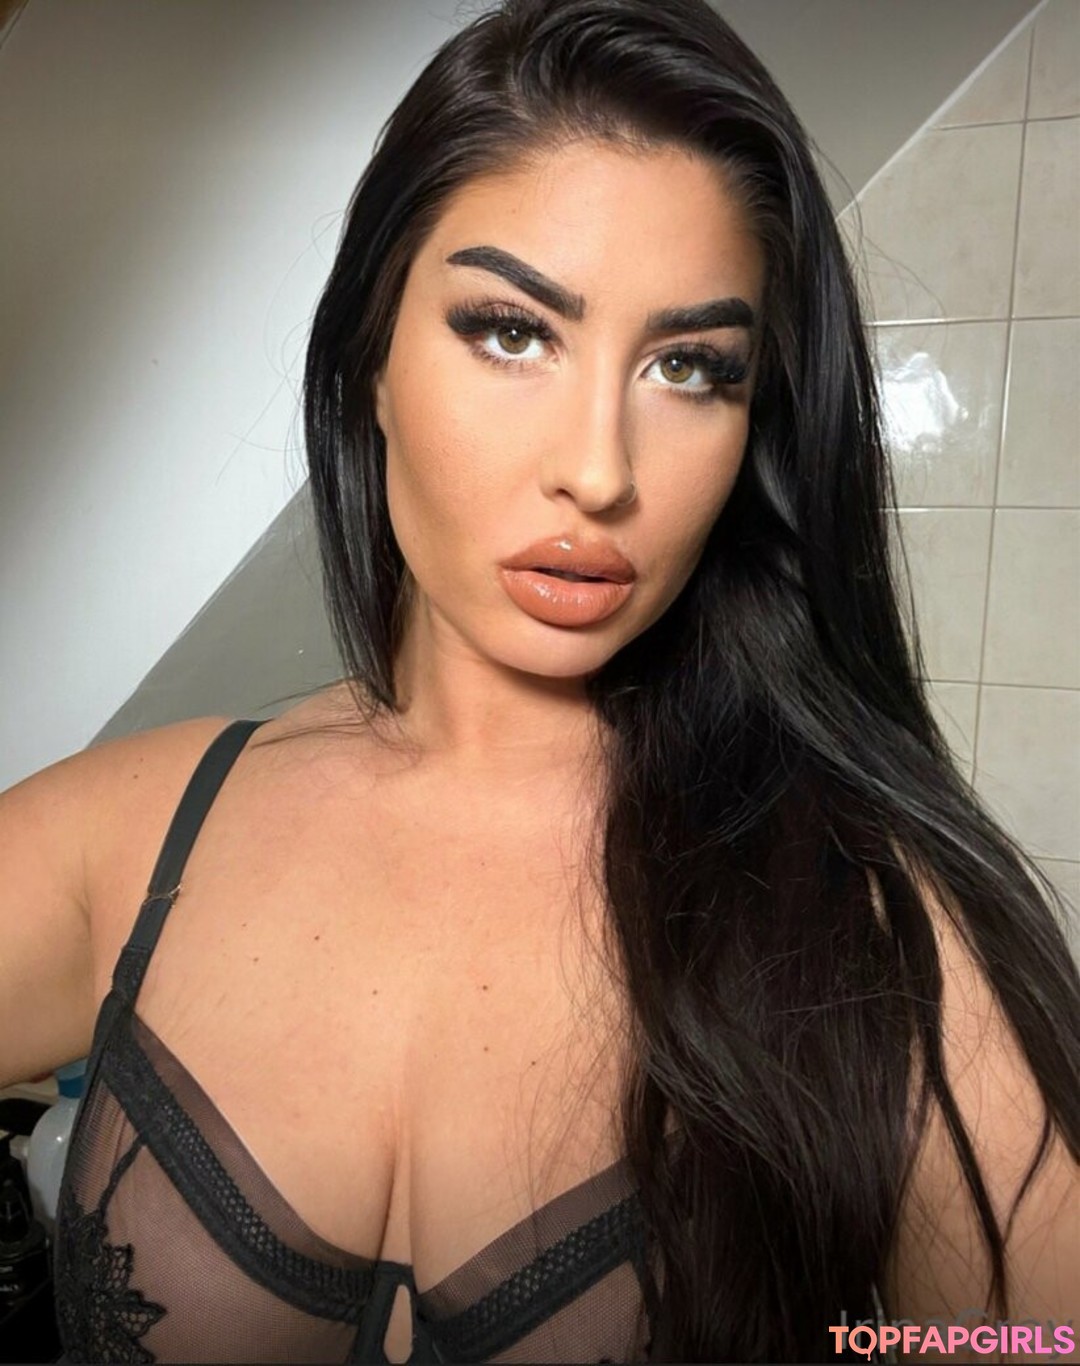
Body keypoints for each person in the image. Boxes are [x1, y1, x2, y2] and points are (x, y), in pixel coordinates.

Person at [1, 0, 1077, 1361]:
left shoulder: (869, 924)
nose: (600, 469)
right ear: (371, 359)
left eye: (689, 367)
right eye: (513, 332)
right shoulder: (131, 837)